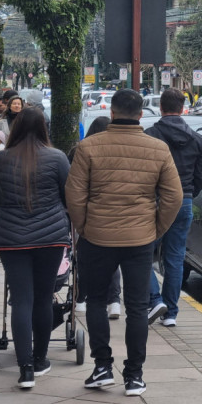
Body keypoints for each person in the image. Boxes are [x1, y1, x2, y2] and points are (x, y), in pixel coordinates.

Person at [66, 89, 182, 396]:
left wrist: (84, 227)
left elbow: (74, 195)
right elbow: (174, 196)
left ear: (113, 113)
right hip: (140, 238)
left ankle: (102, 367)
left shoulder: (87, 147)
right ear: (142, 114)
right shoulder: (158, 149)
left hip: (97, 237)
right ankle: (134, 376)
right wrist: (156, 228)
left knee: (95, 301)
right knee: (136, 307)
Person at [0, 107, 71, 389]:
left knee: (21, 300)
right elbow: (69, 196)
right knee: (43, 298)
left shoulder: (0, 160)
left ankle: (24, 368)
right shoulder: (57, 158)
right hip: (50, 238)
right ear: (44, 128)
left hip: (11, 239)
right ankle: (40, 360)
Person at [145, 89, 202, 327]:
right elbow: (201, 177)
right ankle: (171, 313)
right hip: (184, 200)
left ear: (160, 107)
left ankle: (155, 299)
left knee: (141, 255)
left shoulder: (150, 136)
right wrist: (188, 193)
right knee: (175, 257)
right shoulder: (197, 139)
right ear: (183, 109)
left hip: (156, 200)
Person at [68, 116, 123, 319]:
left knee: (84, 258)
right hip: (114, 212)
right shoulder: (117, 152)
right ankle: (114, 301)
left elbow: (72, 185)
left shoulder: (79, 151)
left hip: (87, 213)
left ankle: (81, 298)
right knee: (113, 260)